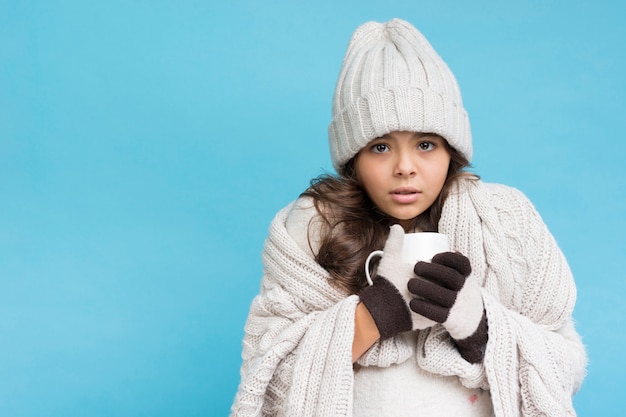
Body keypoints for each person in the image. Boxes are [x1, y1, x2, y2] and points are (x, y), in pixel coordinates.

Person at [230, 18, 587, 417]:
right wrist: (376, 311)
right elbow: (267, 381)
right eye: (380, 146)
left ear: (451, 150)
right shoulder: (312, 228)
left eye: (425, 144)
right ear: (353, 157)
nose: (405, 167)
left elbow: (565, 366)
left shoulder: (504, 221)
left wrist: (479, 325)